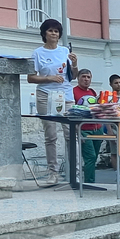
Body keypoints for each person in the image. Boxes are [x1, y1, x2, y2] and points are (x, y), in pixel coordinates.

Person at [28, 18, 77, 184]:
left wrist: (75, 64)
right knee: (51, 135)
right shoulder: (37, 53)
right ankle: (53, 172)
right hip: (45, 95)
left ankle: (74, 172)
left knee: (70, 134)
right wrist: (49, 78)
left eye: (56, 31)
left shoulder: (65, 51)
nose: (54, 34)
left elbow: (73, 76)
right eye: (50, 31)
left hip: (65, 95)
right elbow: (30, 78)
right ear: (44, 33)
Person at [72, 69, 103, 184]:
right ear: (78, 78)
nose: (86, 79)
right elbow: (72, 113)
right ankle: (89, 183)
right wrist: (77, 131)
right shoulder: (73, 92)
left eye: (88, 77)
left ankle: (89, 180)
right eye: (83, 76)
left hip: (97, 129)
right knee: (90, 157)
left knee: (94, 158)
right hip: (84, 130)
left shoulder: (92, 92)